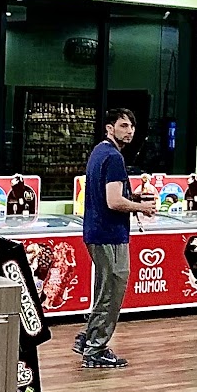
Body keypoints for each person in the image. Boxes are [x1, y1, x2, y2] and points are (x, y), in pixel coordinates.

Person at [76, 109, 156, 368]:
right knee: (111, 290)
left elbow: (107, 195)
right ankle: (95, 350)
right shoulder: (113, 157)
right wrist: (142, 207)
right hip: (109, 234)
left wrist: (133, 198)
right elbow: (113, 201)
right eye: (123, 125)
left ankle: (88, 337)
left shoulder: (99, 152)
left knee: (104, 288)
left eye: (132, 126)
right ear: (109, 128)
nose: (129, 131)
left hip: (97, 232)